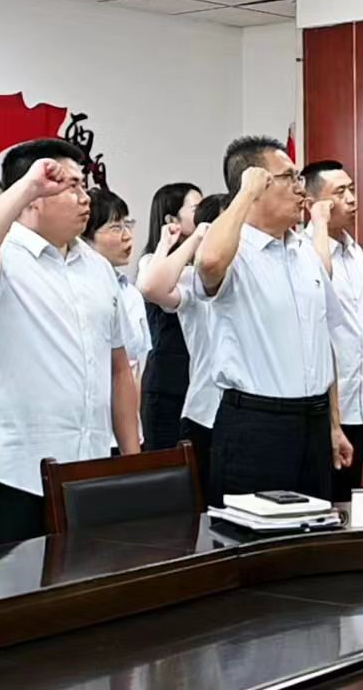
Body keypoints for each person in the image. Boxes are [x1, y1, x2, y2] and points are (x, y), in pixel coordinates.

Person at [0, 138, 140, 547]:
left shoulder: (98, 268)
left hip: (89, 471)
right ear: (33, 198)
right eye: (70, 186)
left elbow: (118, 369)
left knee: (90, 581)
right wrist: (29, 184)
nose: (84, 198)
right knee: (13, 585)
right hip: (17, 474)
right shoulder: (1, 257)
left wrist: (131, 462)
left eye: (83, 185)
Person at [186, 137, 351, 502]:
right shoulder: (233, 249)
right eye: (288, 177)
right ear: (256, 183)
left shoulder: (305, 251)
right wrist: (244, 194)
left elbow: (322, 340)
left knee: (314, 529)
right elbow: (209, 264)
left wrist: (333, 424)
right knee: (254, 535)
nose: (300, 189)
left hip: (313, 421)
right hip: (256, 425)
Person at [137, 193, 223, 499]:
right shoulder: (187, 275)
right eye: (193, 208)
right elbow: (151, 285)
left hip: (220, 399)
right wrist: (197, 236)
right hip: (175, 387)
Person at [303, 160, 363, 503]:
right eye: (340, 192)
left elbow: (361, 324)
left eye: (352, 189)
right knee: (323, 500)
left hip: (356, 398)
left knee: (349, 499)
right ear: (313, 203)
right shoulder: (305, 251)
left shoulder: (356, 251)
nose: (351, 199)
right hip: (323, 404)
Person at [138, 183, 201, 452]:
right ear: (171, 219)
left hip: (197, 382)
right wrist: (173, 242)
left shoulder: (204, 261)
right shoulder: (152, 261)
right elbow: (153, 287)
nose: (203, 215)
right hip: (167, 385)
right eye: (196, 208)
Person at [85, 189, 149, 389]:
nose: (127, 236)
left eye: (127, 225)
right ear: (85, 237)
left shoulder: (131, 294)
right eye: (116, 228)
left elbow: (136, 366)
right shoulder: (77, 291)